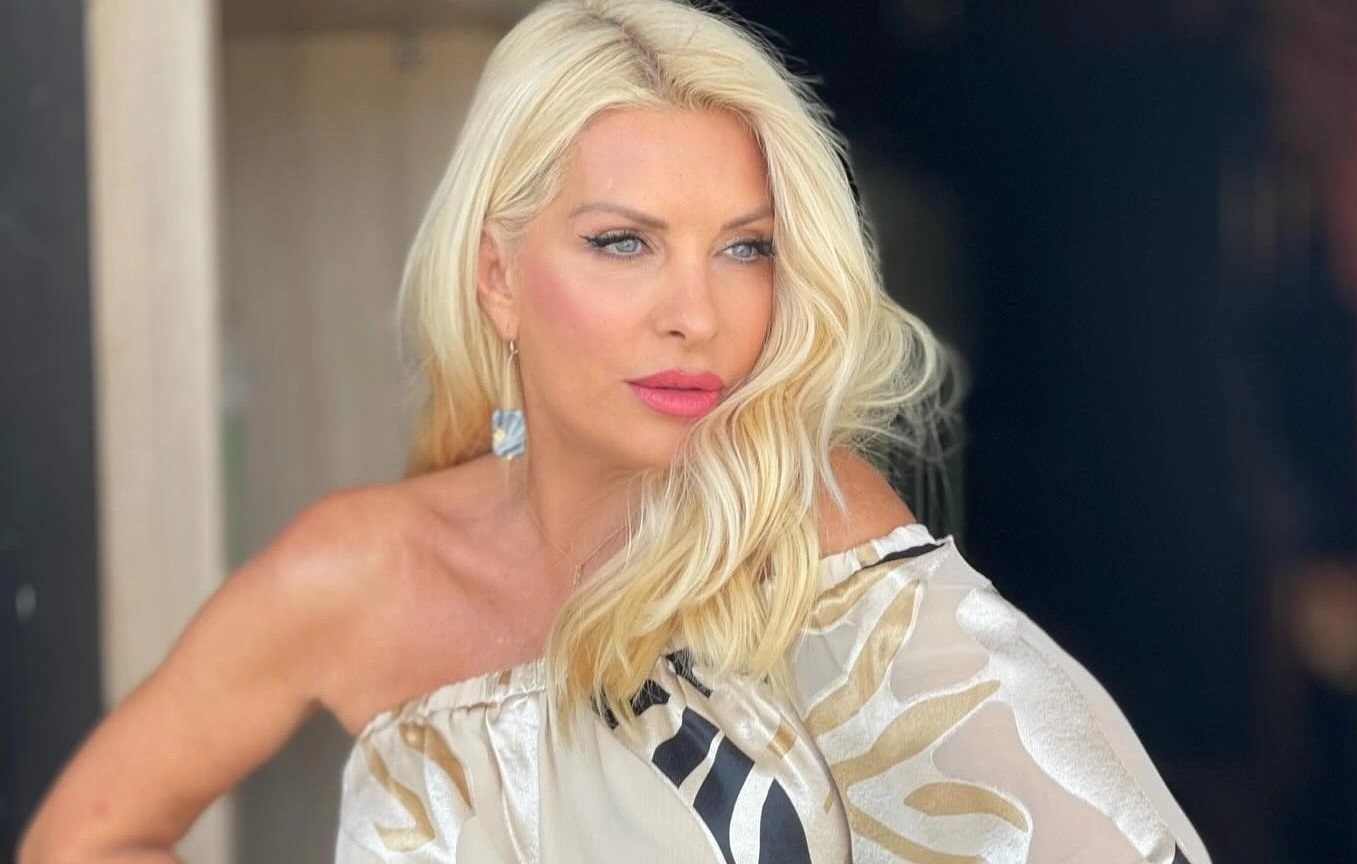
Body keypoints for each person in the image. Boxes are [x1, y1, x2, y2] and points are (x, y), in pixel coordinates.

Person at [19, 1, 1212, 861]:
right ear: (498, 277)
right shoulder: (357, 575)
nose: (697, 313)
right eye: (623, 242)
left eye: (744, 248)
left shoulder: (809, 530)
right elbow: (84, 836)